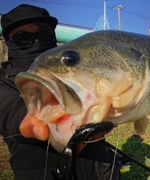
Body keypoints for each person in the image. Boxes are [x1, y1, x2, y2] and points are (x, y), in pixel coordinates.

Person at [0, 4, 121, 180]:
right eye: (23, 38)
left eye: (44, 34)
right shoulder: (4, 85)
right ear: (10, 44)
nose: (36, 41)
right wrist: (33, 116)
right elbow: (9, 111)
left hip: (103, 172)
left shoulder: (81, 71)